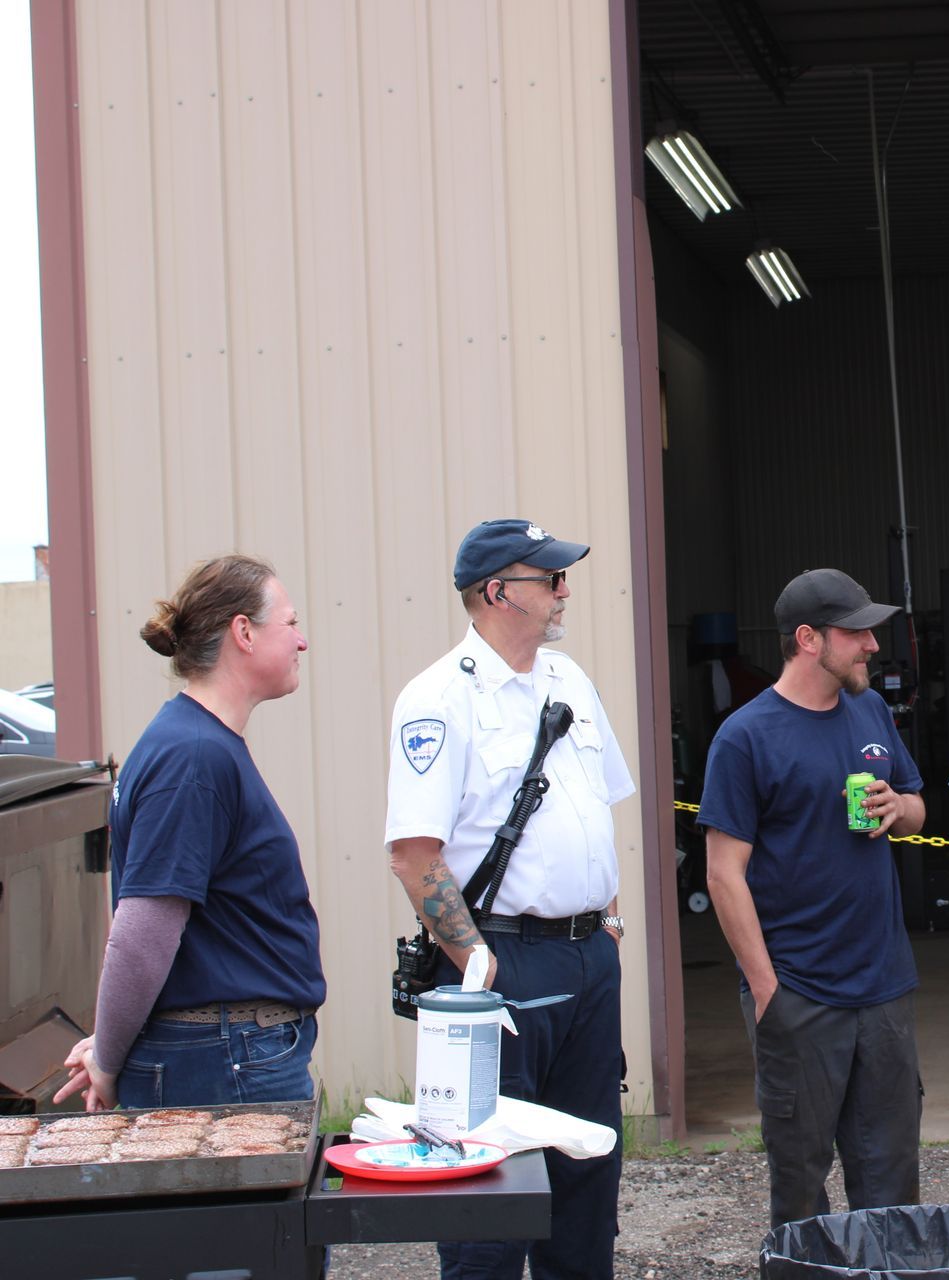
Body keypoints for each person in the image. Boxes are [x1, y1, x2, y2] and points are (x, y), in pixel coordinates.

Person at [385, 519, 635, 1280]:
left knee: (587, 1172)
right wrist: (477, 962)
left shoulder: (571, 682)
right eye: (548, 578)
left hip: (588, 957)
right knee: (489, 1184)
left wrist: (611, 923)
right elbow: (414, 855)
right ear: (498, 592)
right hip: (504, 964)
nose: (565, 591)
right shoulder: (437, 699)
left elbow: (598, 811)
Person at [700, 568, 928, 1227]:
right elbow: (722, 874)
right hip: (799, 992)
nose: (872, 646)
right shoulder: (745, 738)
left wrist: (900, 806)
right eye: (856, 633)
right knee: (800, 1185)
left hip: (884, 988)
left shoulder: (872, 711)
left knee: (892, 1179)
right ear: (807, 638)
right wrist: (766, 987)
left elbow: (917, 807)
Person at [55, 555, 324, 1112]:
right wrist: (107, 1061)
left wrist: (112, 1043)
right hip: (224, 1059)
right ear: (244, 632)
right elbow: (142, 932)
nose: (301, 641)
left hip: (224, 1052)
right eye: (291, 623)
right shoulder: (193, 757)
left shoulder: (195, 744)